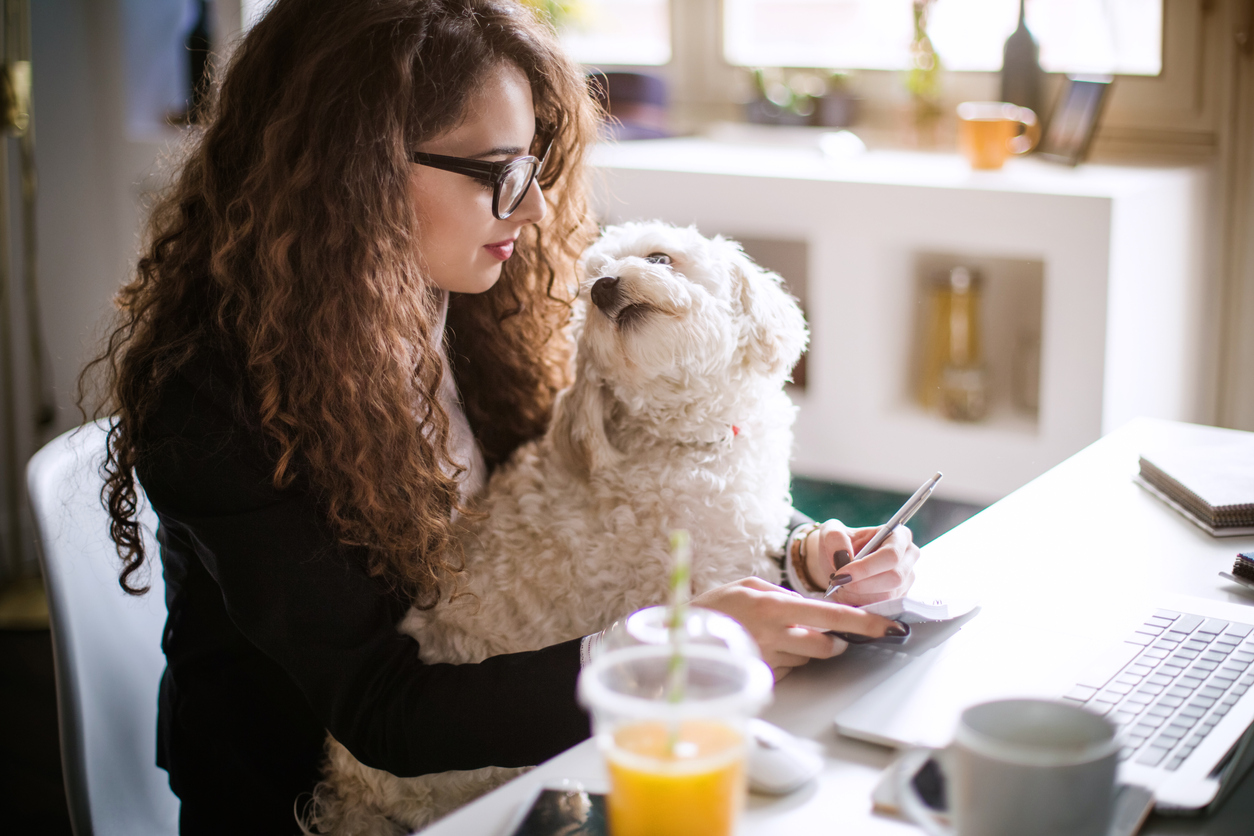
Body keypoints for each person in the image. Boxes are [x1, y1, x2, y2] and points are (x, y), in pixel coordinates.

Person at [82, 1, 920, 833]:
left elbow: (629, 469)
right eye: (498, 174)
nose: (536, 211)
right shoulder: (210, 400)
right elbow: (386, 710)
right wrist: (667, 648)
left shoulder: (478, 295)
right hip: (307, 802)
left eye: (533, 167)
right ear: (354, 172)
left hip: (506, 769)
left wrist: (802, 551)